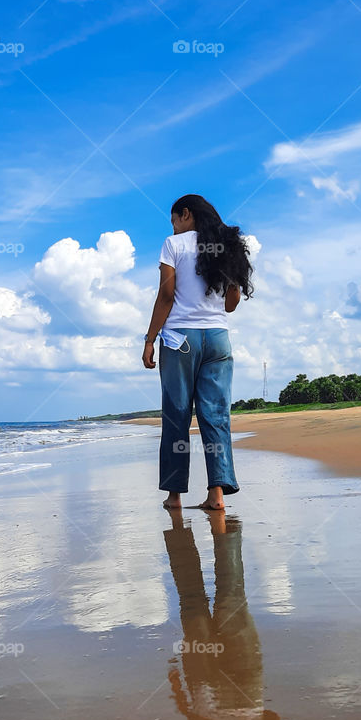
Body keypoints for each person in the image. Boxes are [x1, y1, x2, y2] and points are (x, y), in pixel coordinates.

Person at [164, 510, 299, 720]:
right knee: (194, 602)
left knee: (231, 594)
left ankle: (226, 530)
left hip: (245, 688)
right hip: (206, 690)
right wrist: (180, 696)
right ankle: (183, 528)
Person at [142, 194, 253, 510]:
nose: (174, 227)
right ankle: (216, 495)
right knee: (215, 416)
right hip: (218, 338)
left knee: (177, 414)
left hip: (180, 340)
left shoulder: (173, 245)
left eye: (174, 220)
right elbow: (231, 304)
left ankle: (175, 495)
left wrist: (150, 339)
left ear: (185, 214)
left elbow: (166, 295)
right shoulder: (226, 246)